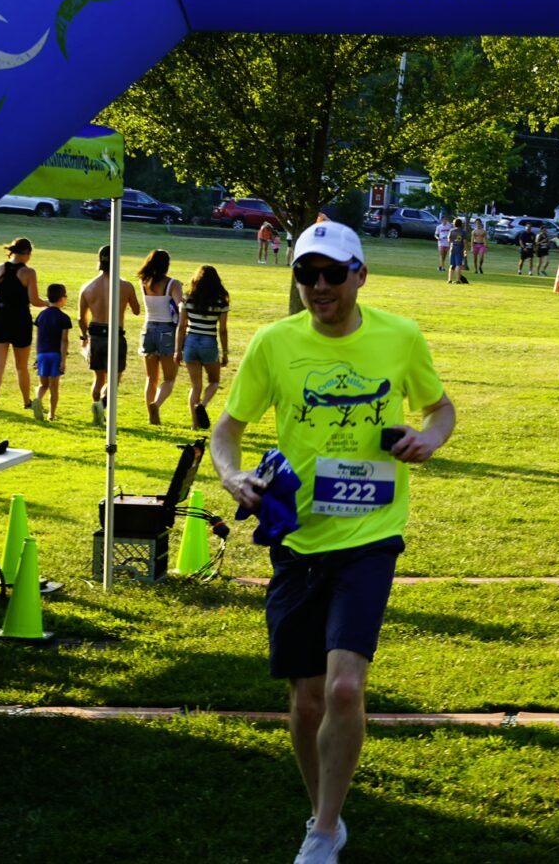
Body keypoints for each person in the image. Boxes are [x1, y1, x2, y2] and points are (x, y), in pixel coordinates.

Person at [212, 221, 454, 864]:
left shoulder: (399, 337)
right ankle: (327, 813)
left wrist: (429, 439)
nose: (319, 287)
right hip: (296, 539)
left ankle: (321, 831)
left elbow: (440, 408)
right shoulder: (274, 343)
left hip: (371, 536)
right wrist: (233, 476)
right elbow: (226, 430)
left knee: (345, 688)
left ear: (360, 276)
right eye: (306, 274)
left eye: (332, 274)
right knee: (307, 697)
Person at [78, 245, 142, 427]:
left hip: (96, 334)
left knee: (98, 378)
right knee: (114, 378)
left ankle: (97, 412)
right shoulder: (125, 286)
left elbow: (81, 318)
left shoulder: (87, 287)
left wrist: (84, 337)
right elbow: (137, 310)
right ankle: (103, 404)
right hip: (115, 333)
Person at [0, 238, 46, 410]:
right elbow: (34, 300)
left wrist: (5, 296)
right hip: (20, 318)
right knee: (21, 366)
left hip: (0, 317)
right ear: (27, 253)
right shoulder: (28, 273)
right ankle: (26, 402)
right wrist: (48, 303)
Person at [176, 265, 230, 430]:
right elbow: (222, 330)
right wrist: (225, 352)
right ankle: (203, 405)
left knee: (195, 386)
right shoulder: (221, 301)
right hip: (209, 343)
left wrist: (178, 350)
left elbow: (181, 326)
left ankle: (194, 425)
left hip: (190, 342)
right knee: (214, 381)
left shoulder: (188, 299)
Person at [137, 249, 184, 425]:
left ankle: (151, 414)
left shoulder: (144, 281)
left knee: (151, 377)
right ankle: (155, 405)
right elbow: (180, 305)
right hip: (167, 330)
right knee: (169, 379)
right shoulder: (173, 284)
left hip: (148, 329)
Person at [32, 283, 72, 421]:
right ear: (62, 298)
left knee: (43, 384)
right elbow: (64, 341)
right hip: (55, 355)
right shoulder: (64, 318)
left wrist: (37, 357)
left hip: (42, 354)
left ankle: (37, 400)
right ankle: (51, 414)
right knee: (54, 387)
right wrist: (63, 360)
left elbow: (38, 337)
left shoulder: (41, 316)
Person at [447, 218, 468, 285]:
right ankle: (458, 280)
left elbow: (449, 240)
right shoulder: (463, 232)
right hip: (459, 248)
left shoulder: (451, 231)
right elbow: (464, 242)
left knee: (452, 265)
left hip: (453, 248)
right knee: (458, 264)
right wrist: (465, 250)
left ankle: (450, 279)